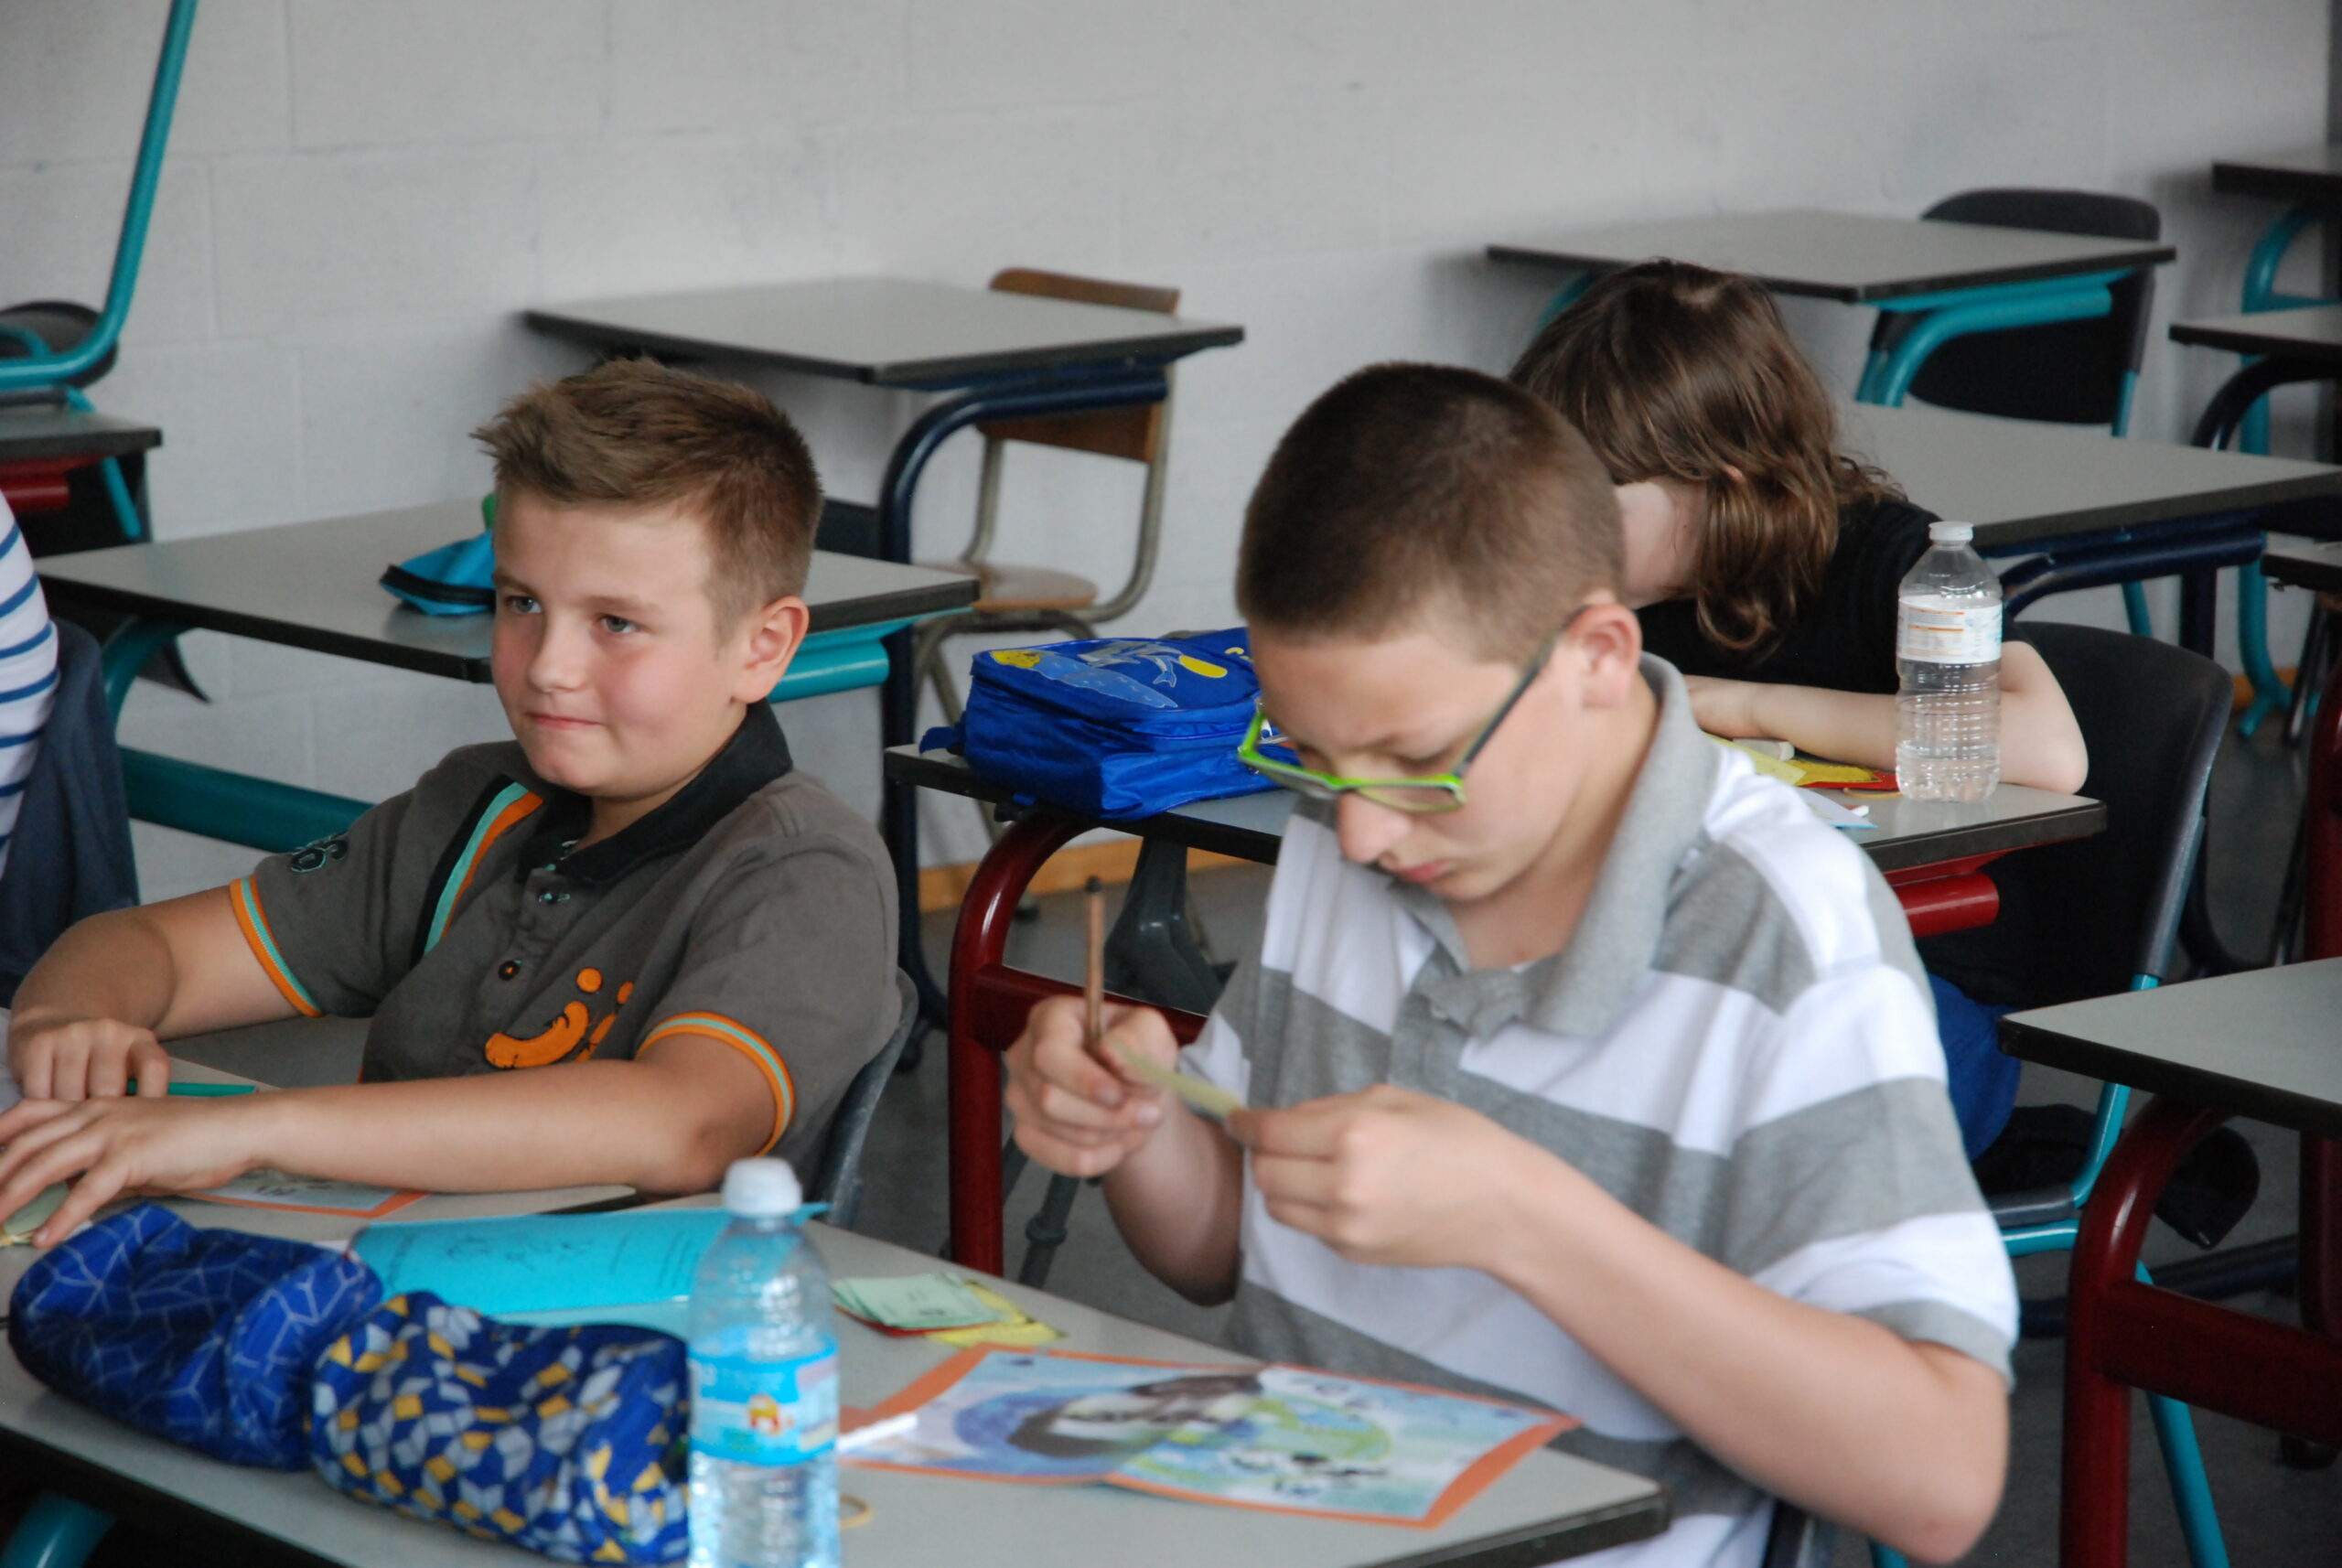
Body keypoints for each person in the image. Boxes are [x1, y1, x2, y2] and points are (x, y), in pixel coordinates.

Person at [1004, 365, 2014, 1567]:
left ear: (1596, 655)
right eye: (1311, 754)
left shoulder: (1780, 927)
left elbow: (1940, 1480)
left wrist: (1522, 1218)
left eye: (1419, 758)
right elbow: (1228, 1246)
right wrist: (1145, 1131)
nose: (1360, 831)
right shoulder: (1351, 820)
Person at [0, 361, 897, 1242]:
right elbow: (149, 946)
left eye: (616, 622)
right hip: (390, 1279)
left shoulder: (803, 865)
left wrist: (251, 1129)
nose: (549, 666)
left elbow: (683, 1124)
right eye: (522, 603)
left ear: (762, 647)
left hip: (646, 1318)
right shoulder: (478, 805)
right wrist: (68, 1019)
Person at [1508, 260, 2088, 1156]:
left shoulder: (1886, 559)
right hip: (1702, 969)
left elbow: (2048, 748)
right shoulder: (1606, 595)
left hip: (1912, 992)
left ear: (1720, 480)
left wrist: (1750, 704)